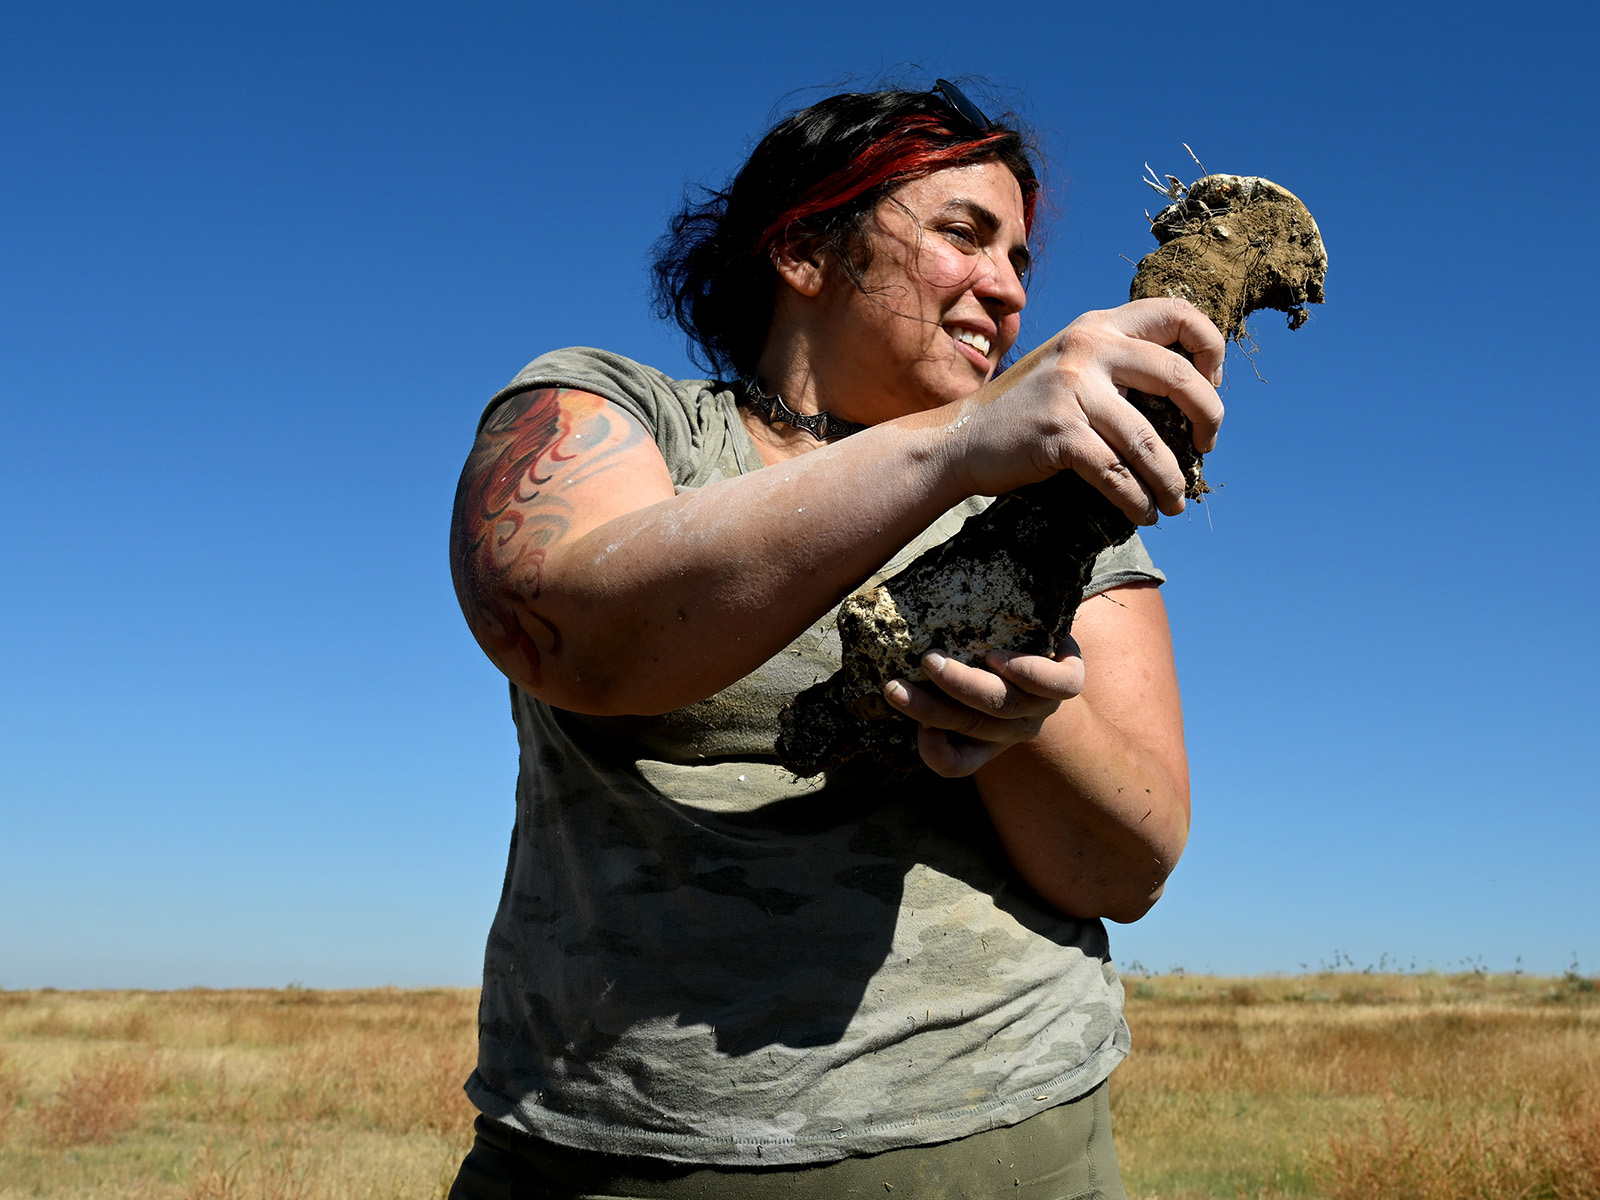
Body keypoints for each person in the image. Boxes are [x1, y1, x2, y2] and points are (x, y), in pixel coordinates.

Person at [446, 80, 1224, 1199]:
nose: (1005, 291)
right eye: (963, 234)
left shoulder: (1059, 507)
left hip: (1005, 1145)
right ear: (805, 249)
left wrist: (1020, 730)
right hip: (608, 1156)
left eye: (1019, 261)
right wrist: (957, 441)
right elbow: (566, 629)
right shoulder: (620, 413)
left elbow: (1128, 866)